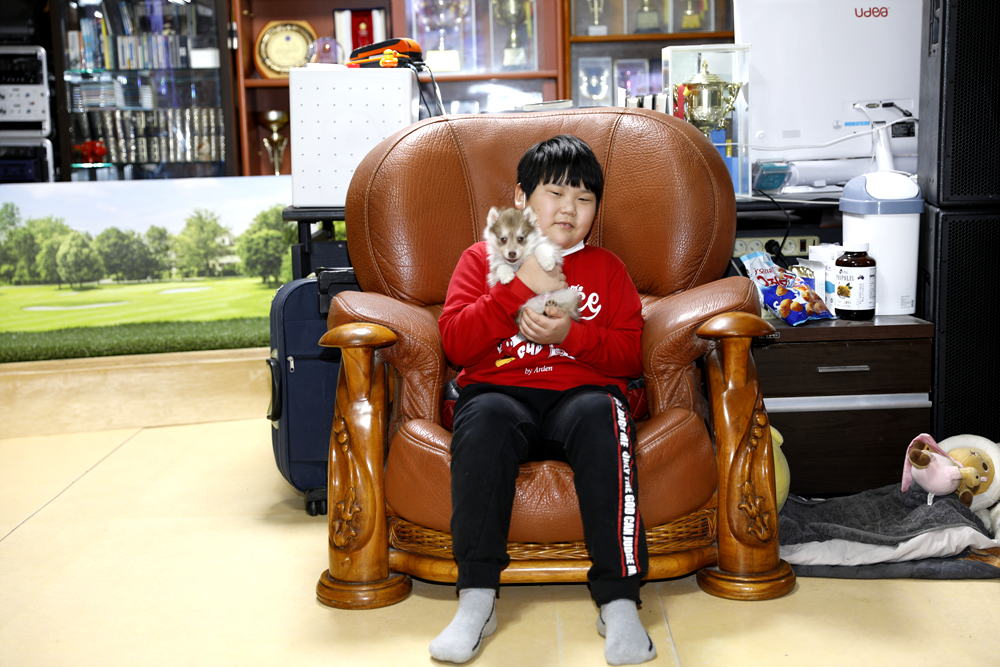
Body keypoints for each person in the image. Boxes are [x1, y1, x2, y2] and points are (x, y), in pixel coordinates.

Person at [431, 135, 655, 666]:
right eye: (555, 193)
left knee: (604, 414)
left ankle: (619, 600)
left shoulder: (607, 268)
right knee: (482, 420)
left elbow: (630, 355)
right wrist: (519, 286)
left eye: (584, 199)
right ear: (521, 198)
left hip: (582, 393)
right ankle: (476, 598)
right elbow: (455, 343)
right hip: (499, 392)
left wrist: (570, 337)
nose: (569, 209)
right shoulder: (481, 259)